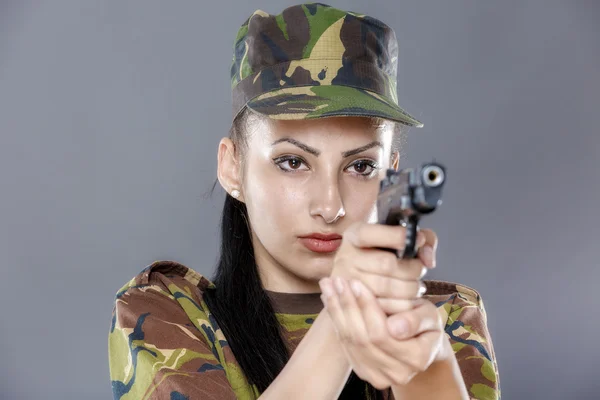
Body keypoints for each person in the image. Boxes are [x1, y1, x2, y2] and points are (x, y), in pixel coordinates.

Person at [108, 3, 500, 399]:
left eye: (361, 167)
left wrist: (427, 372)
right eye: (292, 162)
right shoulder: (167, 316)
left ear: (391, 175)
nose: (330, 207)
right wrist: (343, 317)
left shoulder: (447, 322)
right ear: (232, 168)